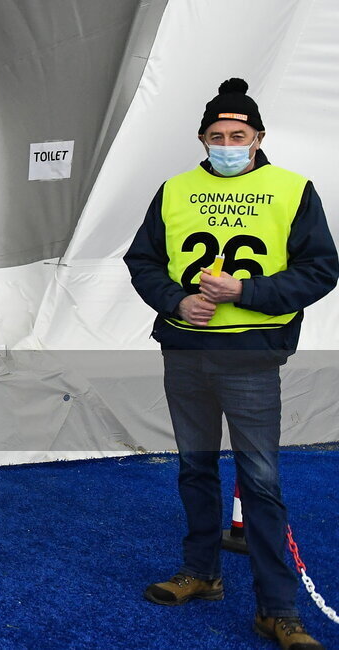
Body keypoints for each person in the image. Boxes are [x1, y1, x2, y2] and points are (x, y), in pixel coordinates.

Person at [124, 78, 337, 650]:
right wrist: (176, 301)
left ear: (258, 137)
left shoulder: (292, 189)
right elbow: (142, 260)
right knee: (194, 467)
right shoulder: (175, 189)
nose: (226, 144)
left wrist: (245, 291)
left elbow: (321, 270)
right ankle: (201, 573)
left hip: (250, 355)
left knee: (260, 480)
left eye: (237, 136)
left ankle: (277, 608)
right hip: (185, 350)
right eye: (216, 136)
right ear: (202, 138)